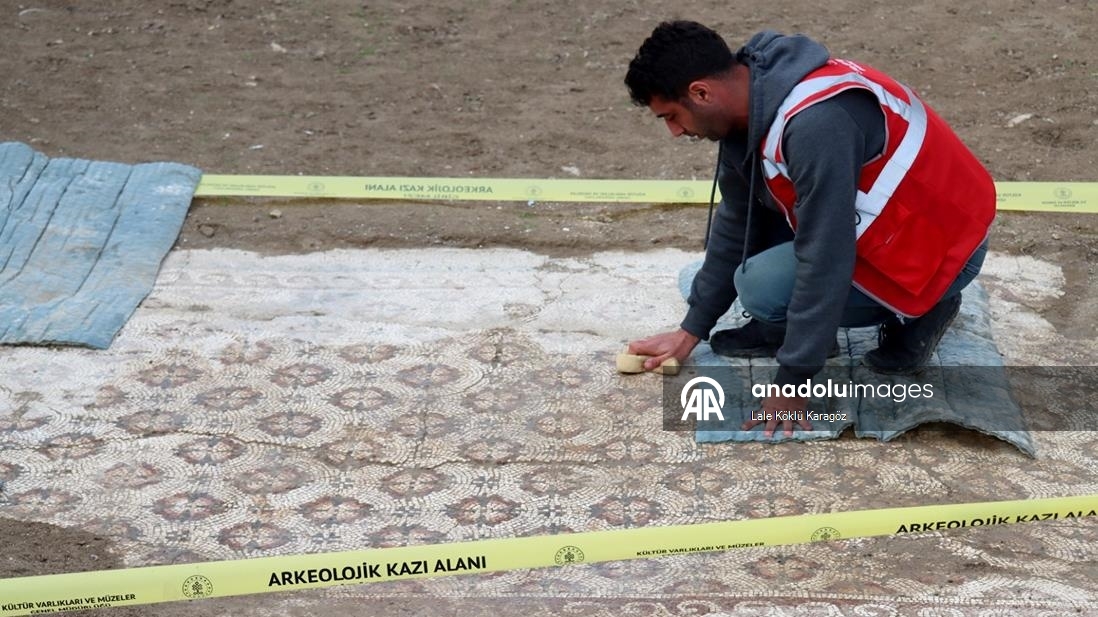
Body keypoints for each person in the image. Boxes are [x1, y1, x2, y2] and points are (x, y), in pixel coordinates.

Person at [623, 21, 995, 438]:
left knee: (760, 288)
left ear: (701, 92)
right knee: (750, 255)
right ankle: (802, 329)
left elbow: (826, 255)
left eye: (671, 116)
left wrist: (792, 381)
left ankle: (925, 308)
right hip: (904, 225)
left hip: (946, 249)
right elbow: (736, 222)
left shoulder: (816, 124)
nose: (674, 131)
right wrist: (691, 330)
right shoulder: (755, 95)